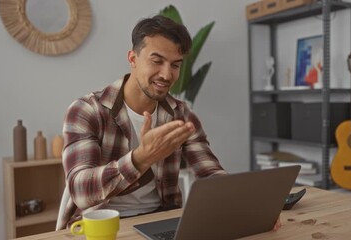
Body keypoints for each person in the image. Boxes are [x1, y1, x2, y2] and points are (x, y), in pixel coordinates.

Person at [57, 15, 281, 232]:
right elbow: (81, 191)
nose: (166, 74)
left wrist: (248, 209)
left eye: (175, 65)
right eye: (157, 61)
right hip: (102, 226)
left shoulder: (180, 113)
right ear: (133, 59)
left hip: (161, 220)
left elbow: (209, 172)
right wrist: (141, 158)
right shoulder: (87, 110)